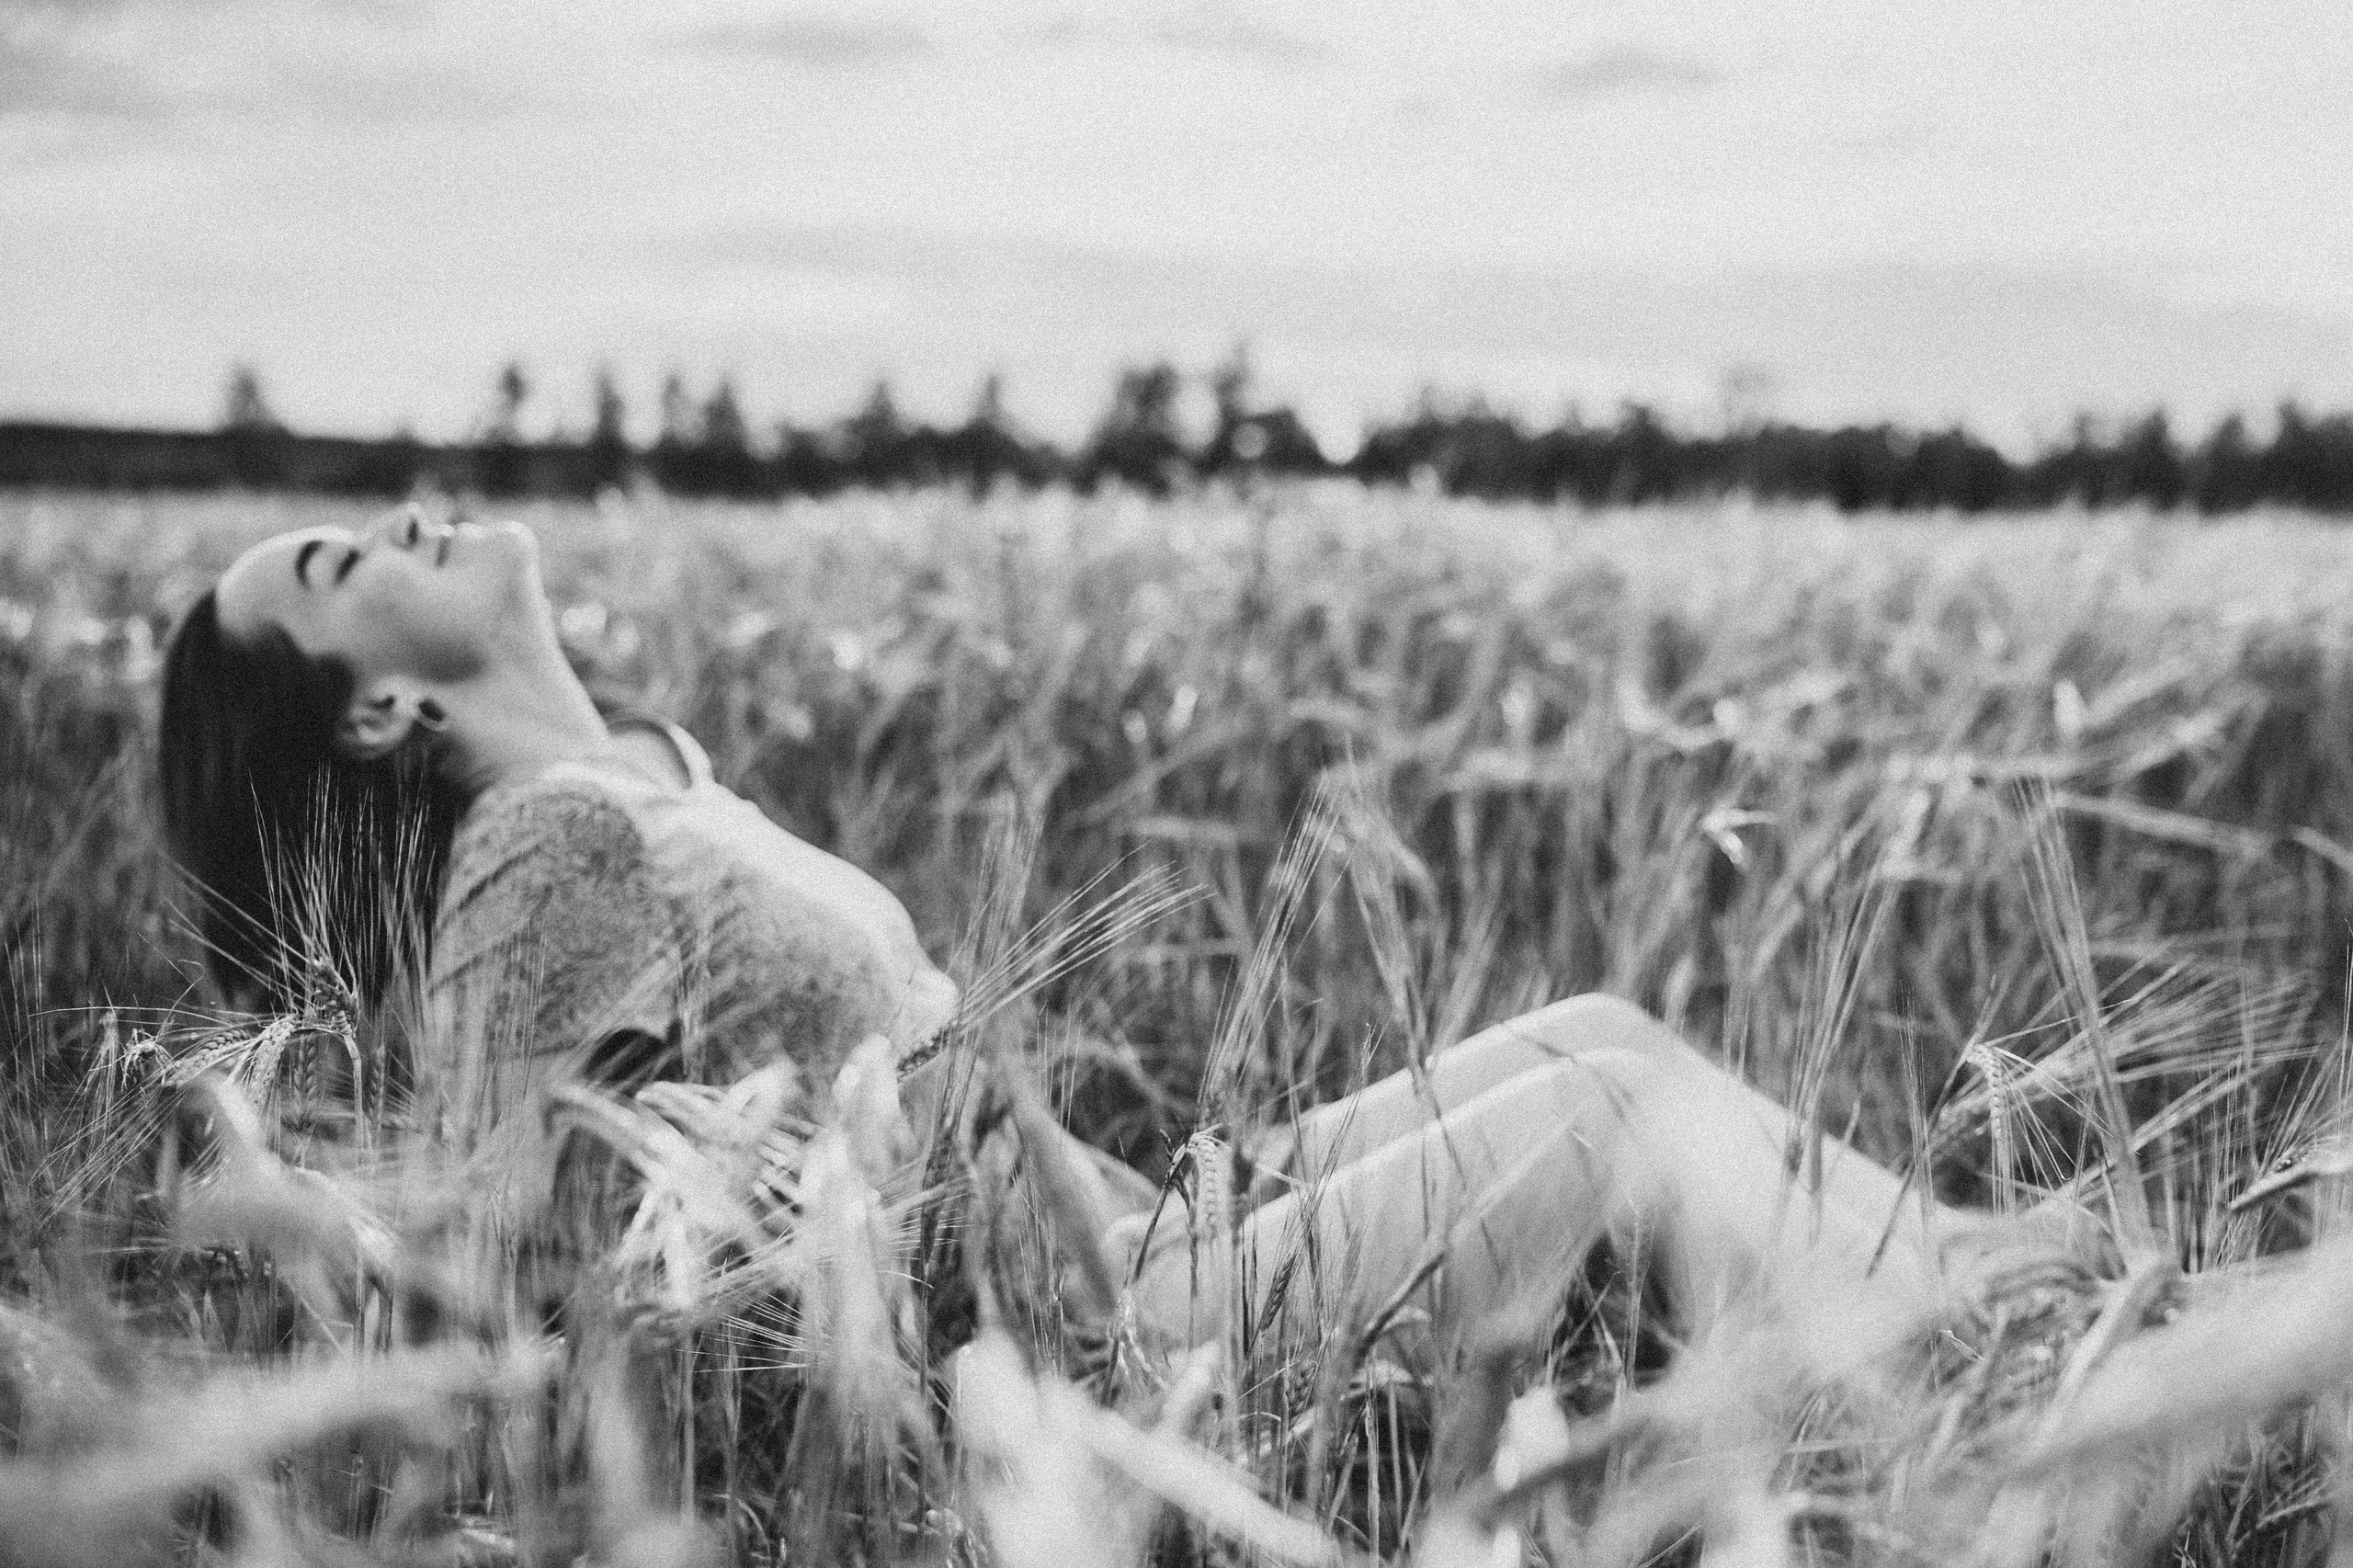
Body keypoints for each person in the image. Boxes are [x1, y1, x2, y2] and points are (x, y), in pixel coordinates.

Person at [158, 506, 1957, 1373]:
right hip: (1095, 1342)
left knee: (1602, 1038)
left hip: (1139, 1216)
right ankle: (2010, 1342)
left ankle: (1995, 1298)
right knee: (1604, 1117)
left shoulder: (649, 779)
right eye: (337, 564)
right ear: (376, 709)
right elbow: (532, 1250)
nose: (393, 519)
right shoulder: (542, 847)